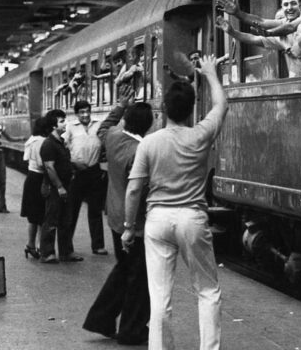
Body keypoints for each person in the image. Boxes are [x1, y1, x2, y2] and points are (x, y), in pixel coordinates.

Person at [122, 55, 228, 350]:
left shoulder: (149, 143)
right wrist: (210, 74)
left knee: (160, 298)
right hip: (191, 219)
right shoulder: (200, 135)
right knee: (207, 291)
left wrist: (130, 228)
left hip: (157, 221)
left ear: (164, 109)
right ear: (192, 109)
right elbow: (221, 106)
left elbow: (133, 190)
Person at [83, 97, 154, 345]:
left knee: (124, 270)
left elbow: (103, 126)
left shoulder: (113, 137)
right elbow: (138, 192)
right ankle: (131, 330)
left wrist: (120, 105)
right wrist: (132, 227)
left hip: (113, 216)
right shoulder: (140, 151)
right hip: (132, 223)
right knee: (139, 277)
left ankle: (100, 319)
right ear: (149, 124)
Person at [216, 0, 301, 77]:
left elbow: (290, 27)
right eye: (286, 4)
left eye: (293, 3)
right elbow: (259, 26)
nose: (289, 8)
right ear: (282, 7)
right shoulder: (284, 26)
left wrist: (268, 33)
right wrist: (236, 19)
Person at [39, 109, 83, 264]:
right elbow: (50, 167)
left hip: (66, 185)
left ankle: (66, 252)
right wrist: (59, 187)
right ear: (53, 126)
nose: (66, 123)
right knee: (52, 220)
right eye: (62, 121)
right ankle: (47, 253)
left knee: (66, 220)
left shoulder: (60, 142)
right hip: (54, 188)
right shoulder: (48, 144)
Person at [64, 100, 107, 255]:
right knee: (72, 210)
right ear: (76, 114)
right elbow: (63, 146)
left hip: (94, 171)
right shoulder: (70, 127)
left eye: (87, 111)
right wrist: (71, 162)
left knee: (95, 209)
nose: (85, 115)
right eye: (81, 112)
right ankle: (67, 246)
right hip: (77, 172)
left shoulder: (98, 124)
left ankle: (98, 245)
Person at [20, 117, 49, 260]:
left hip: (31, 178)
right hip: (39, 179)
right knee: (40, 216)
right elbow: (42, 163)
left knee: (34, 217)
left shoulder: (32, 140)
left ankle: (32, 245)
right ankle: (37, 246)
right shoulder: (40, 142)